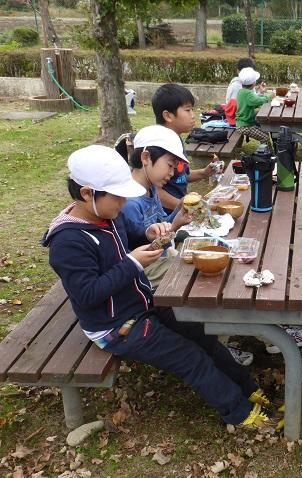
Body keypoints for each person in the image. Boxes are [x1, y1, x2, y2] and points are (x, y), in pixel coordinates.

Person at [42, 145, 279, 431]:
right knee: (188, 357)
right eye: (117, 196)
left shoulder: (105, 214)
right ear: (86, 193)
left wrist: (148, 232)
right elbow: (87, 295)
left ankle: (247, 387)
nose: (122, 202)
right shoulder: (68, 243)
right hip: (116, 326)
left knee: (202, 334)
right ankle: (240, 413)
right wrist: (132, 264)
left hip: (142, 303)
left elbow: (127, 237)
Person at [119, 125, 193, 287]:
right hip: (147, 270)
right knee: (192, 273)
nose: (172, 173)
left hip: (162, 255)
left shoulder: (151, 188)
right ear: (146, 157)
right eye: (169, 165)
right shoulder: (130, 203)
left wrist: (178, 210)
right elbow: (145, 251)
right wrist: (175, 226)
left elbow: (162, 223)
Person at [151, 83, 217, 214]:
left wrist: (204, 173)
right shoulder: (159, 147)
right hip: (165, 217)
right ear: (168, 116)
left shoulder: (176, 140)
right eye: (188, 110)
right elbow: (154, 191)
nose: (193, 115)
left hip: (179, 212)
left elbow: (181, 176)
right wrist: (186, 207)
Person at [235, 67, 273, 148]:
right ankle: (266, 154)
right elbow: (258, 100)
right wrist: (270, 96)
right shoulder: (248, 94)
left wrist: (261, 93)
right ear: (253, 83)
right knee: (265, 137)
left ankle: (267, 152)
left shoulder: (242, 91)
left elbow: (254, 101)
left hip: (243, 123)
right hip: (245, 126)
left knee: (265, 132)